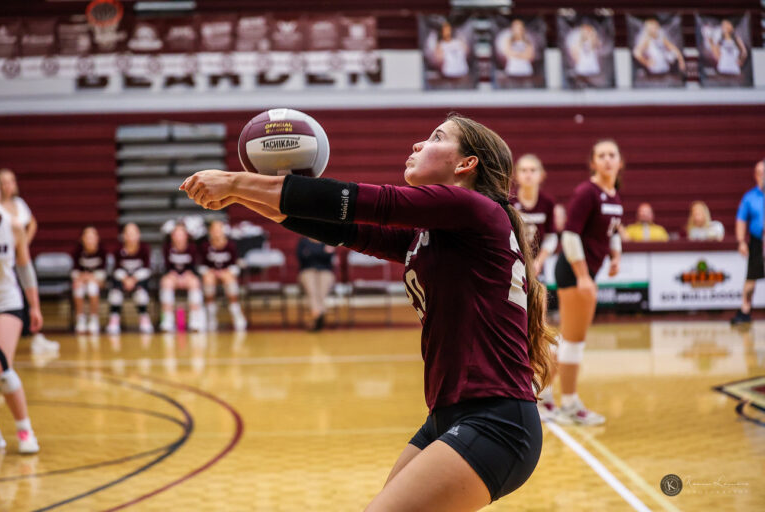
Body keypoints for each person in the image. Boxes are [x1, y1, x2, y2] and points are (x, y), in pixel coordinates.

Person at [180, 114, 556, 510]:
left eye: (436, 138)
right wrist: (243, 196)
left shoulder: (472, 207)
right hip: (450, 414)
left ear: (466, 165)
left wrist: (236, 181)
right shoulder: (435, 233)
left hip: (495, 421)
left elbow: (359, 200)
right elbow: (339, 226)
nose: (417, 145)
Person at [543, 139, 623, 426]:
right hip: (575, 271)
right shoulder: (586, 192)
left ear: (620, 161)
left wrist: (616, 256)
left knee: (568, 340)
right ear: (593, 163)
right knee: (574, 342)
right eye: (601, 155)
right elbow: (570, 236)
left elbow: (612, 230)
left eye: (612, 154)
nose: (607, 159)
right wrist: (583, 276)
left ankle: (541, 395)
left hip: (586, 271)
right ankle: (569, 404)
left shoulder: (613, 194)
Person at [0, 181, 42, 453]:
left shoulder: (12, 227)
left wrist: (34, 307)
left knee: (0, 365)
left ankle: (24, 429)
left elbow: (25, 269)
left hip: (7, 301)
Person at [0, 168, 58, 354]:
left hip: (7, 285)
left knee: (1, 367)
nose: (9, 186)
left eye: (11, 181)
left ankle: (35, 336)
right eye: (5, 182)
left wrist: (23, 243)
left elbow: (32, 224)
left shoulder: (16, 214)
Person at [731, 160, 765, 325]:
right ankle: (745, 310)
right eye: (759, 173)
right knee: (751, 278)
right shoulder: (750, 197)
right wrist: (741, 241)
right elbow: (741, 220)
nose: (762, 176)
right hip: (758, 241)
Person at [512, 154, 557, 277]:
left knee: (540, 295)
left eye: (533, 170)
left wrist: (538, 262)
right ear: (516, 175)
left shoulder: (548, 202)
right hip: (512, 262)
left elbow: (551, 237)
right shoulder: (509, 202)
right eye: (524, 170)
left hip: (537, 266)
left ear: (542, 175)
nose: (528, 174)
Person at [198, 220, 246, 332]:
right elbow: (201, 265)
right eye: (214, 230)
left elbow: (235, 264)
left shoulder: (231, 245)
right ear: (210, 232)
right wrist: (210, 271)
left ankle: (236, 313)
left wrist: (227, 271)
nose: (217, 233)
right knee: (208, 279)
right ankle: (211, 316)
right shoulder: (205, 246)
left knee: (228, 278)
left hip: (227, 272)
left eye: (219, 230)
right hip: (211, 273)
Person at [107, 223, 153, 335]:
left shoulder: (144, 248)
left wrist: (134, 279)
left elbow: (147, 269)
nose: (131, 236)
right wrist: (125, 279)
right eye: (128, 234)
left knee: (141, 295)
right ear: (124, 236)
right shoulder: (118, 249)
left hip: (139, 280)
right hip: (122, 280)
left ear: (138, 235)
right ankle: (114, 319)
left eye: (133, 233)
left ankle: (144, 317)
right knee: (115, 295)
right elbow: (116, 269)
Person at [160, 223, 204, 333]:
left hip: (188, 276)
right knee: (166, 282)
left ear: (186, 236)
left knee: (195, 282)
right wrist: (174, 275)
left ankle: (195, 320)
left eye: (181, 234)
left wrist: (186, 275)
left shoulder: (192, 247)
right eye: (176, 234)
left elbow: (194, 266)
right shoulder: (167, 248)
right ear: (172, 236)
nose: (179, 237)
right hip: (173, 276)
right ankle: (167, 320)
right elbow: (166, 267)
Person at [71, 226, 107, 334]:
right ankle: (80, 318)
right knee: (77, 288)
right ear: (82, 239)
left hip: (96, 281)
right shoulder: (77, 251)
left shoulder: (102, 251)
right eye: (87, 237)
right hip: (81, 280)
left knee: (92, 287)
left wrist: (89, 277)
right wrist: (83, 278)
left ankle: (94, 318)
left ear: (97, 239)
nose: (90, 239)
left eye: (92, 236)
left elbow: (102, 273)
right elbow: (74, 272)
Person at [296, 236, 336, 331]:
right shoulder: (303, 242)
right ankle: (319, 313)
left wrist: (312, 253)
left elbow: (330, 258)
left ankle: (315, 316)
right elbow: (301, 257)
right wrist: (322, 253)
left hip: (325, 271)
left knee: (322, 289)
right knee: (312, 288)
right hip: (307, 270)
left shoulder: (328, 240)